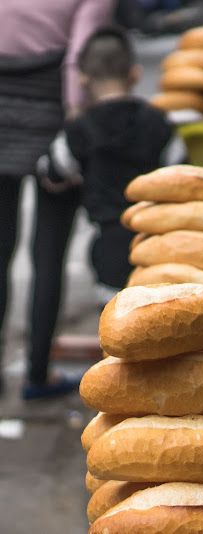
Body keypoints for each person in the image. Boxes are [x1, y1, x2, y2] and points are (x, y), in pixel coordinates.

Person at [0, 0, 114, 400]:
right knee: (49, 257)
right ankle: (36, 374)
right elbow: (78, 59)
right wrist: (74, 126)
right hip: (53, 122)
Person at [38, 25, 187, 300]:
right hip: (155, 239)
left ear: (83, 80)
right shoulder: (158, 121)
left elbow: (52, 172)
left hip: (108, 242)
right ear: (134, 74)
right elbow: (180, 171)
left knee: (116, 321)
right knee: (157, 310)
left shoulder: (80, 129)